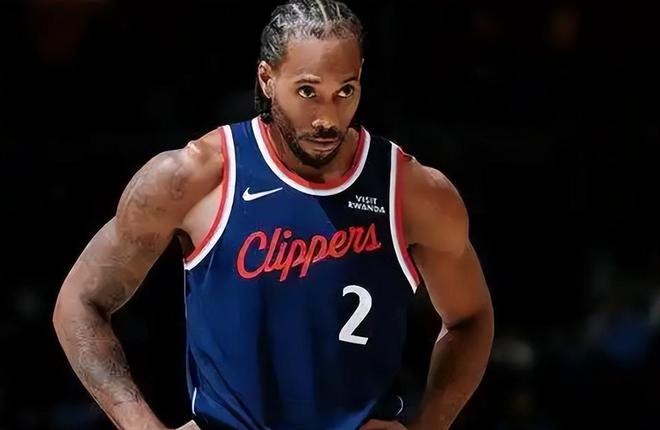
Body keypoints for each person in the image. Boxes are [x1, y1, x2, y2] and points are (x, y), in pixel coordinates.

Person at [52, 1, 494, 429]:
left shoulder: (410, 190)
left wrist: (430, 425)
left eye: (345, 91)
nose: (327, 117)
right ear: (266, 79)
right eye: (308, 91)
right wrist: (140, 425)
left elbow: (471, 318)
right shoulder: (196, 177)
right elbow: (79, 303)